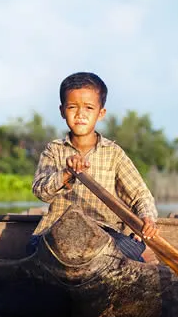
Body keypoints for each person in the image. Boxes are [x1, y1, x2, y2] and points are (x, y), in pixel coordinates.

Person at [27, 71, 159, 257]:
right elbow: (41, 192)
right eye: (73, 107)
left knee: (132, 250)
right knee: (34, 249)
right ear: (62, 111)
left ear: (101, 113)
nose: (80, 114)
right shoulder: (54, 150)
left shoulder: (113, 153)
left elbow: (140, 195)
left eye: (89, 108)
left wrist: (147, 219)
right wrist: (66, 173)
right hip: (56, 230)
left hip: (104, 232)